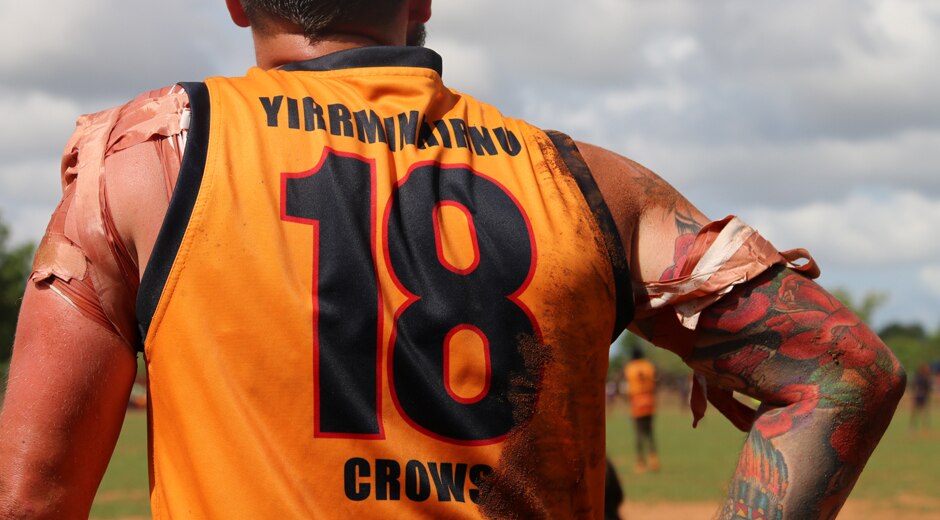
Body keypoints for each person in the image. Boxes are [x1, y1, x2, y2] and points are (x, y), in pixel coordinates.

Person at [0, 1, 906, 518]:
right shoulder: (591, 184)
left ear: (238, 1)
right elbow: (843, 369)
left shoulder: (149, 160)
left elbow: (34, 497)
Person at [625, 347, 659, 473]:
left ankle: (640, 462)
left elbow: (628, 387)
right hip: (649, 401)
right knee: (650, 433)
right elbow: (655, 383)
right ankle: (654, 460)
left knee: (638, 434)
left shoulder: (630, 367)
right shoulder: (648, 365)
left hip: (637, 402)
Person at [910, 363, 932, 430]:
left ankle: (924, 426)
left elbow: (928, 389)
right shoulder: (919, 378)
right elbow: (914, 386)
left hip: (923, 397)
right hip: (918, 396)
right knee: (914, 412)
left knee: (924, 412)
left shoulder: (926, 379)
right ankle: (912, 426)